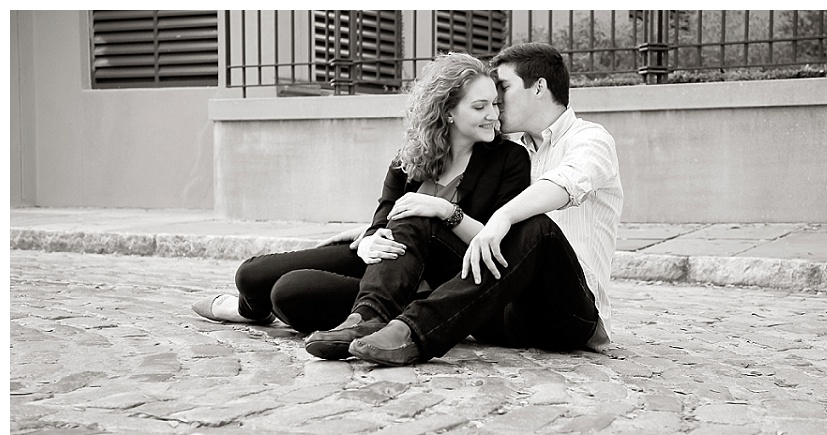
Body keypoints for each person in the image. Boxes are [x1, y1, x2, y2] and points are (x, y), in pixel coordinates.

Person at [309, 42, 623, 366]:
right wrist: (374, 228)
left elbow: (566, 182)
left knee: (538, 228)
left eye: (503, 88)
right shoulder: (513, 151)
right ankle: (366, 318)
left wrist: (503, 217)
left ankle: (411, 333)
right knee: (418, 210)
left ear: (539, 87)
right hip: (507, 314)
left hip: (568, 313)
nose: (496, 103)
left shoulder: (590, 140)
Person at [191, 52, 530, 342]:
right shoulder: (412, 156)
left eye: (495, 105)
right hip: (385, 259)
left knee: (289, 292)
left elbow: (499, 242)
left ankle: (388, 315)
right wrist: (369, 239)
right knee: (251, 275)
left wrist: (444, 211)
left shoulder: (508, 160)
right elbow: (384, 215)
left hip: (435, 282)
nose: (494, 115)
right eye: (480, 106)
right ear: (447, 111)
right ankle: (249, 311)